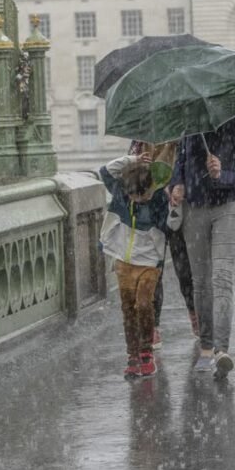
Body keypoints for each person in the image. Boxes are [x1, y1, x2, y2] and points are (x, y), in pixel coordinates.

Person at [170, 112, 235, 379]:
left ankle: (221, 349)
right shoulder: (191, 121)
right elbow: (180, 160)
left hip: (229, 204)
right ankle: (206, 347)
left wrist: (222, 172)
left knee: (221, 277)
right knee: (201, 280)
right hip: (196, 206)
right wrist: (176, 184)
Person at [98, 152, 170, 380]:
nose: (138, 199)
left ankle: (146, 352)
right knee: (128, 309)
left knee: (143, 304)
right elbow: (105, 171)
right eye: (134, 195)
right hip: (124, 261)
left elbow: (172, 226)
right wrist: (131, 159)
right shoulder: (121, 193)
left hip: (149, 262)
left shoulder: (159, 199)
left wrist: (175, 206)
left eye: (142, 195)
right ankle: (132, 356)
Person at [129, 140, 197, 347]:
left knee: (184, 267)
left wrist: (175, 183)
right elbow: (132, 174)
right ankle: (153, 325)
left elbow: (190, 162)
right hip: (150, 207)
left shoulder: (184, 135)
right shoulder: (141, 137)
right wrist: (140, 165)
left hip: (178, 204)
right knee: (153, 269)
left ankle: (194, 313)